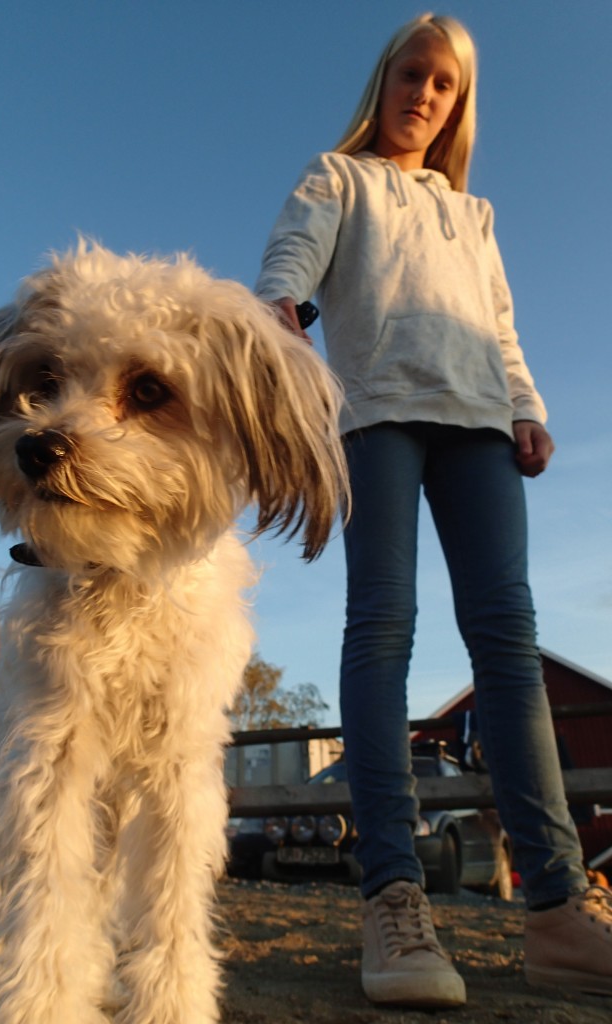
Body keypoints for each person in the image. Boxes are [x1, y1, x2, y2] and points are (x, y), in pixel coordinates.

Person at [255, 12, 612, 1010]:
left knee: (509, 642)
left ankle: (556, 908)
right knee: (384, 629)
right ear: (385, 79)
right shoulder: (339, 177)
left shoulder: (474, 213)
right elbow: (291, 266)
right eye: (412, 72)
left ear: (460, 104)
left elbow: (498, 323)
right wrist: (281, 312)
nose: (425, 92)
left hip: (483, 431)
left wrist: (529, 408)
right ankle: (394, 899)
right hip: (377, 419)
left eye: (445, 84)